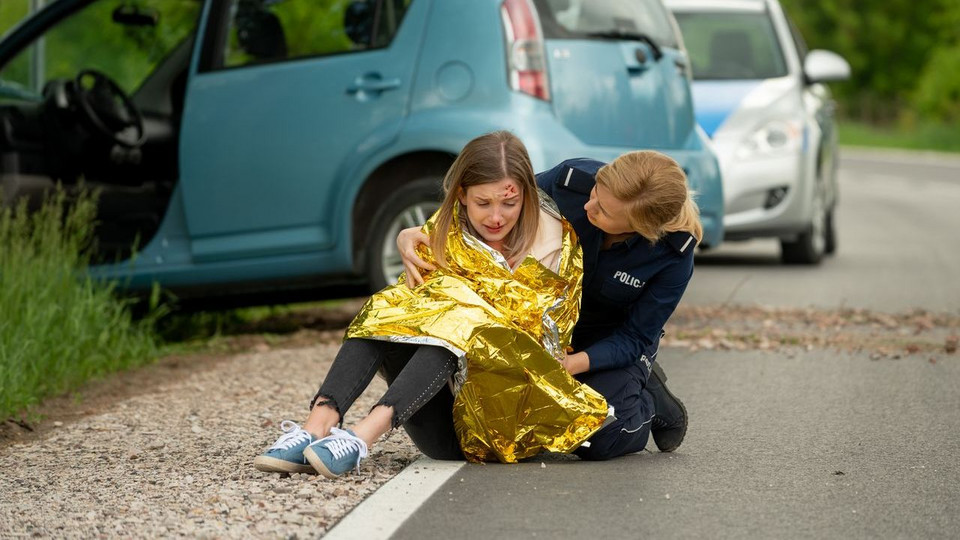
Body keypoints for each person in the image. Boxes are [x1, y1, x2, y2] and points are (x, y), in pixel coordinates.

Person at [254, 131, 604, 477]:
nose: (496, 217)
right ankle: (316, 427)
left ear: (527, 195)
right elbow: (413, 306)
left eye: (509, 203)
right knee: (388, 308)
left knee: (459, 323)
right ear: (462, 196)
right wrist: (409, 238)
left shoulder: (552, 243)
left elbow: (534, 344)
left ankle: (361, 438)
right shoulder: (447, 231)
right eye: (483, 203)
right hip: (435, 408)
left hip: (497, 427)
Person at [398, 151, 700, 461]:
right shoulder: (570, 181)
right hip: (541, 323)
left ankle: (650, 402)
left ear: (640, 228)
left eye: (604, 212)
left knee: (596, 437)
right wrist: (422, 232)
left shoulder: (673, 256)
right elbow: (496, 208)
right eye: (596, 192)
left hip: (607, 343)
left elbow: (634, 336)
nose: (588, 206)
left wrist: (570, 365)